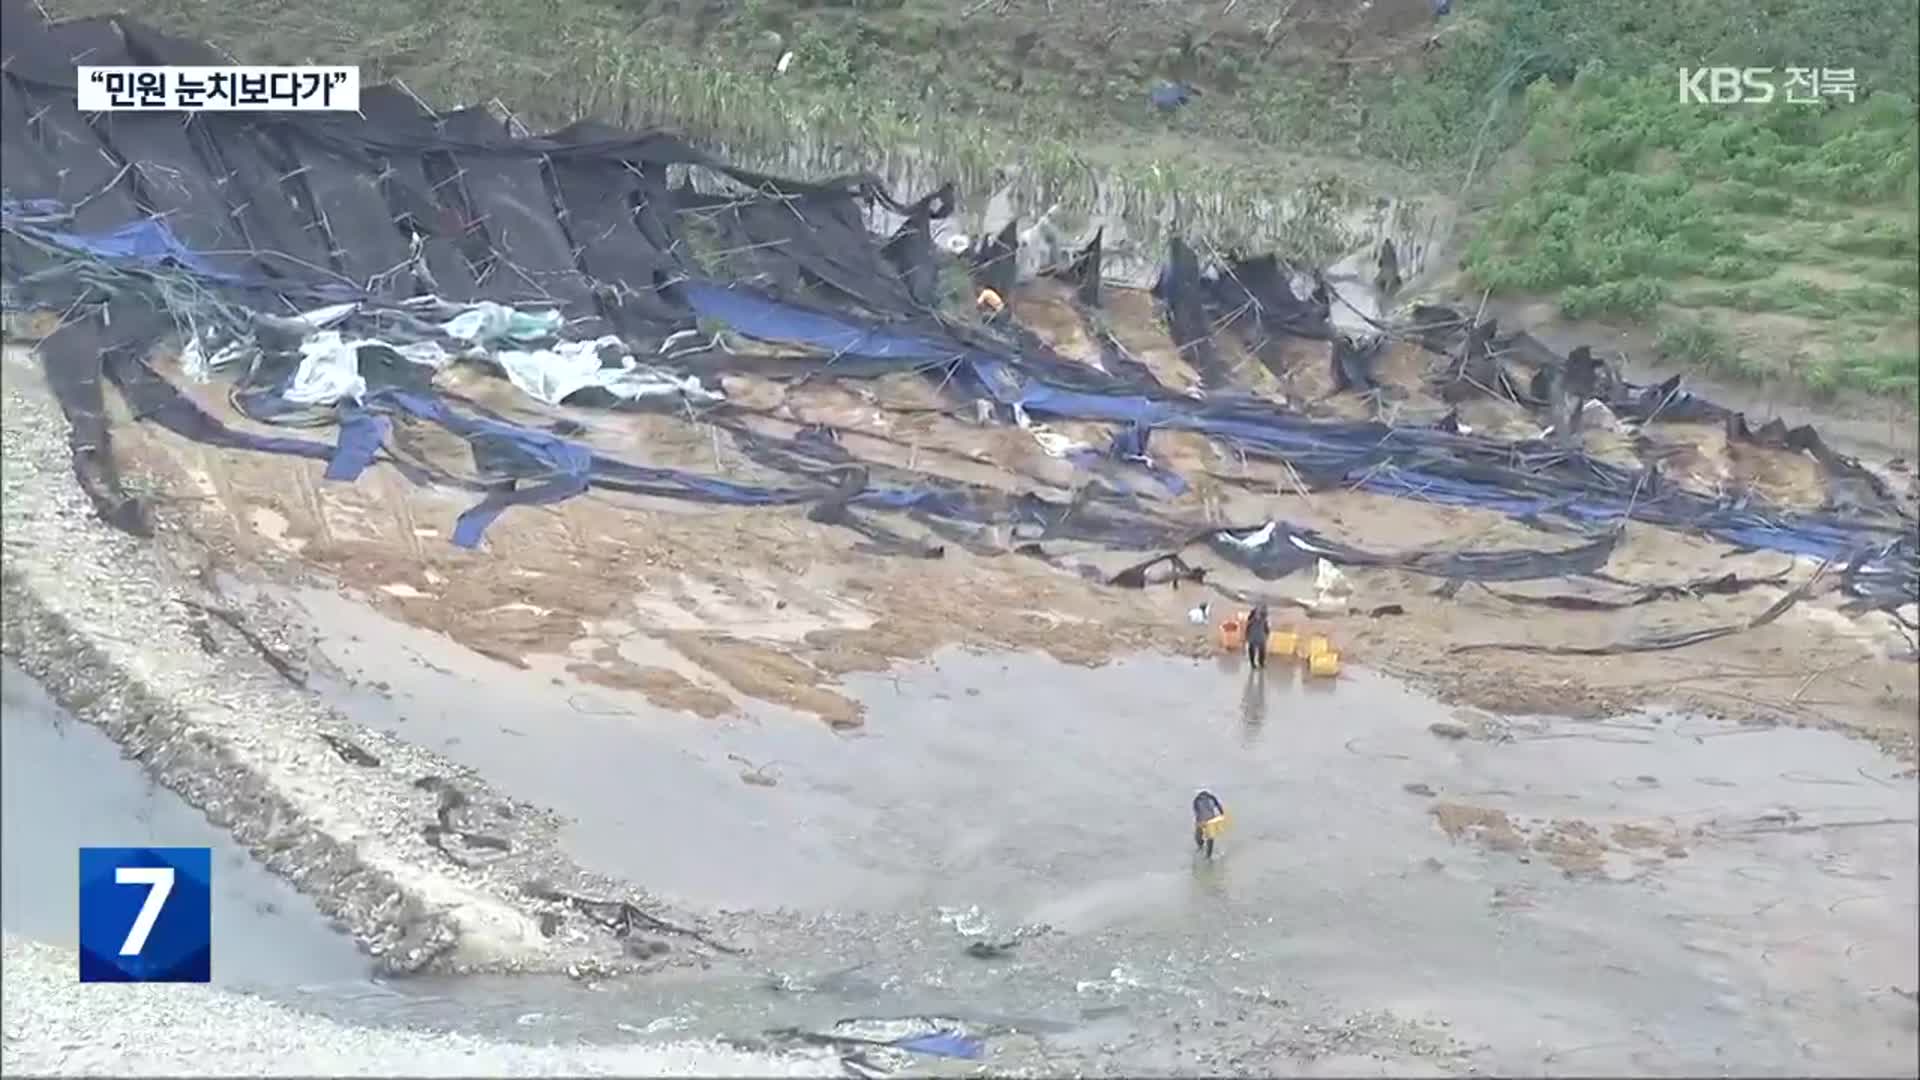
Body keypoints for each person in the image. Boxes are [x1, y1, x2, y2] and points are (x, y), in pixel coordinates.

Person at [1192, 789, 1228, 858]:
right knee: (1209, 840)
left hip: (1202, 820)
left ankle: (1202, 849)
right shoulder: (1212, 797)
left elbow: (1196, 812)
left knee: (1199, 839)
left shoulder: (1196, 800)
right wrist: (1222, 815)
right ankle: (1208, 856)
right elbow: (1219, 807)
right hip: (1210, 820)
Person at [1245, 603, 1271, 671]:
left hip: (1260, 636)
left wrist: (1267, 634)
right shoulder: (1252, 617)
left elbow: (1266, 626)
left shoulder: (1263, 618)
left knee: (1262, 651)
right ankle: (1253, 663)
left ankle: (1260, 663)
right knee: (1253, 650)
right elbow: (1248, 625)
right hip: (1254, 636)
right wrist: (1247, 635)